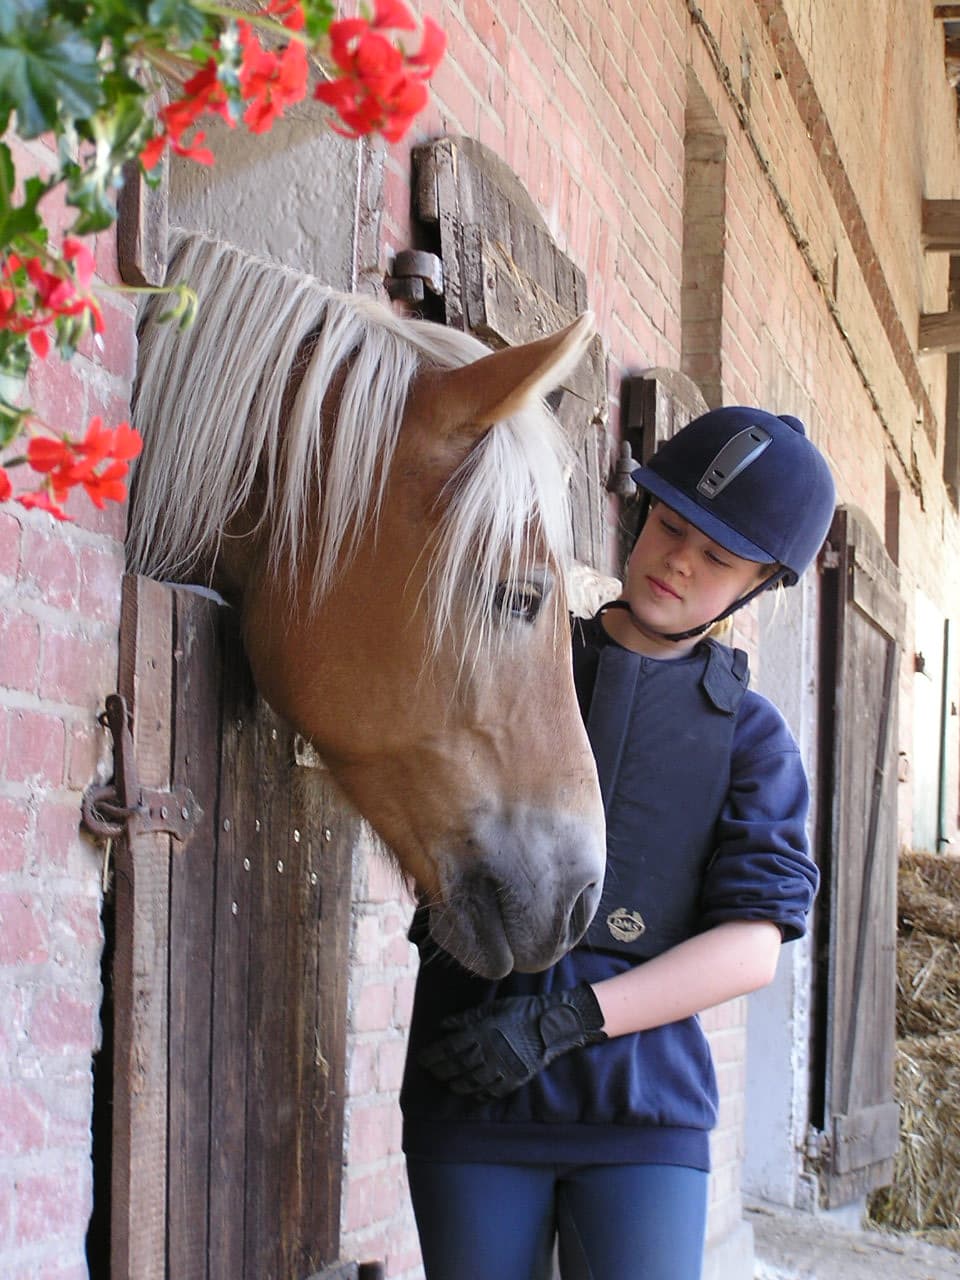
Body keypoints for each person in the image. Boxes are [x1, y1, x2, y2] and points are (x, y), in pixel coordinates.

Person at [399, 406, 836, 1280]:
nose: (680, 559)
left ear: (758, 583)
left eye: (717, 557)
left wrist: (566, 1020)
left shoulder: (754, 738)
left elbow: (751, 949)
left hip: (642, 1113)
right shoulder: (514, 659)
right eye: (670, 525)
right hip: (471, 1088)